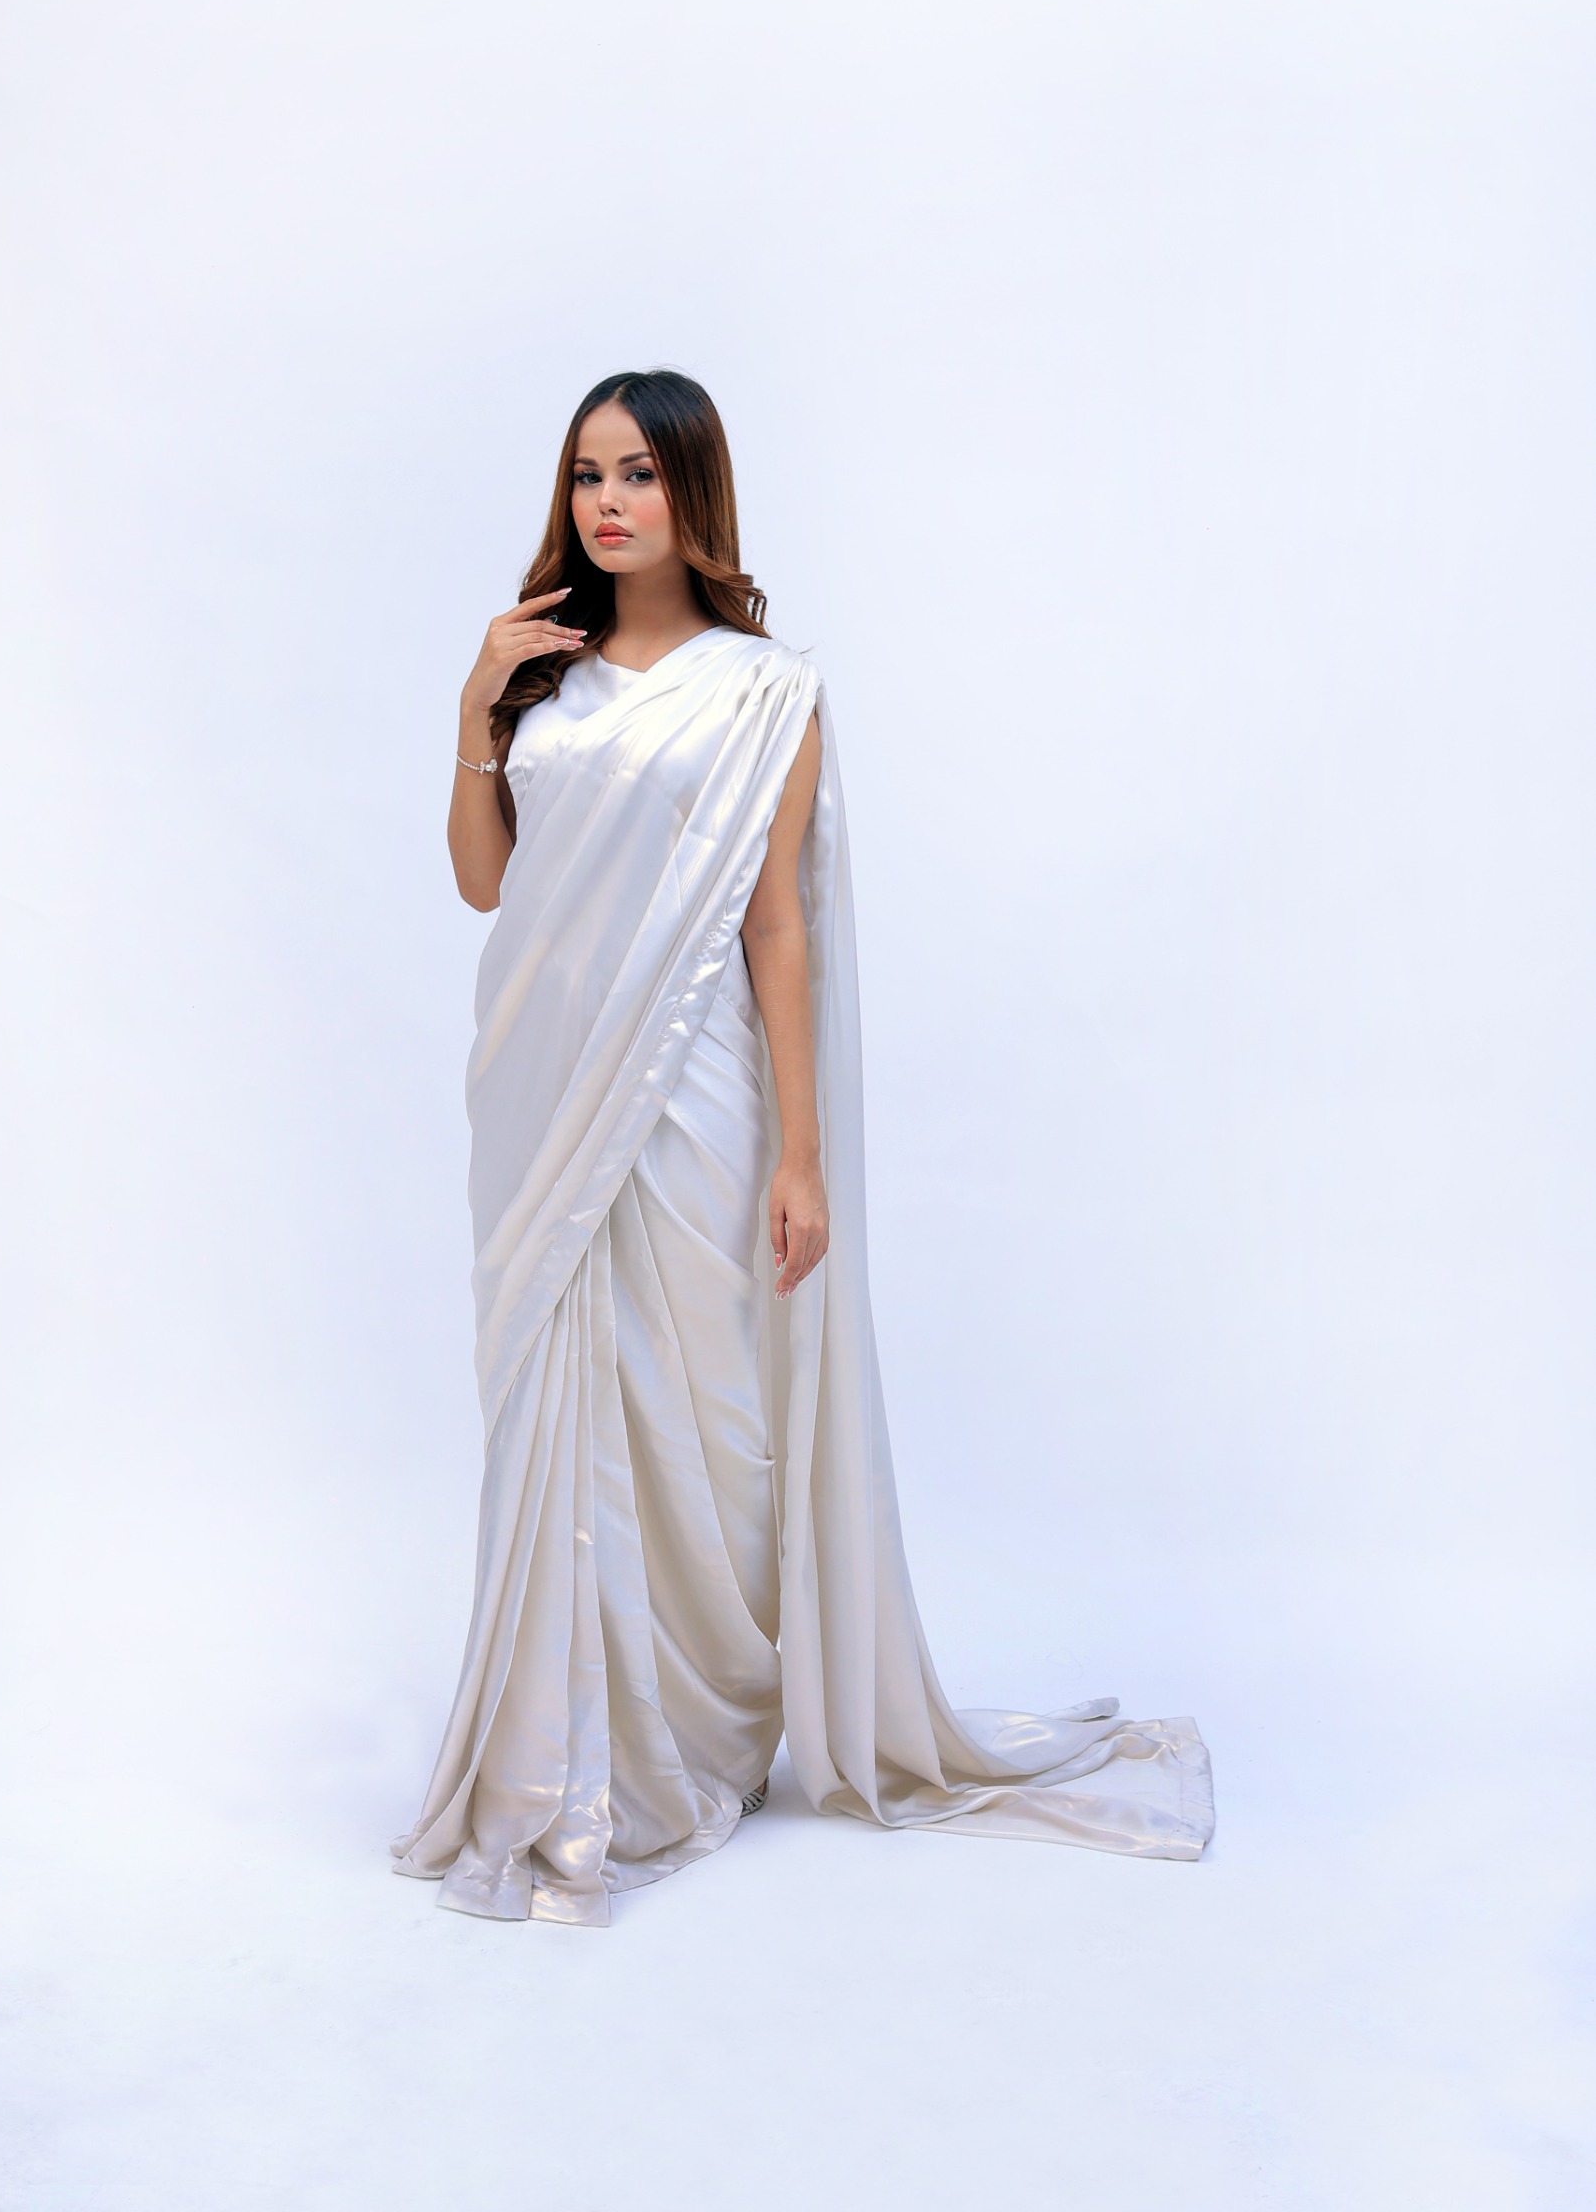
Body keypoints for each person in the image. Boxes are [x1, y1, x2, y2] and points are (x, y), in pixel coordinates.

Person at [393, 370, 1214, 1925]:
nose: (608, 502)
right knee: (554, 1408)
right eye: (586, 475)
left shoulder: (765, 691)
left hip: (693, 1086)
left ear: (695, 491)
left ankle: (688, 1735)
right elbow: (482, 885)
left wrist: (802, 1156)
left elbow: (776, 926)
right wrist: (469, 711)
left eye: (639, 473)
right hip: (538, 1090)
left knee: (693, 1409)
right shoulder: (535, 679)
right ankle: (554, 1748)